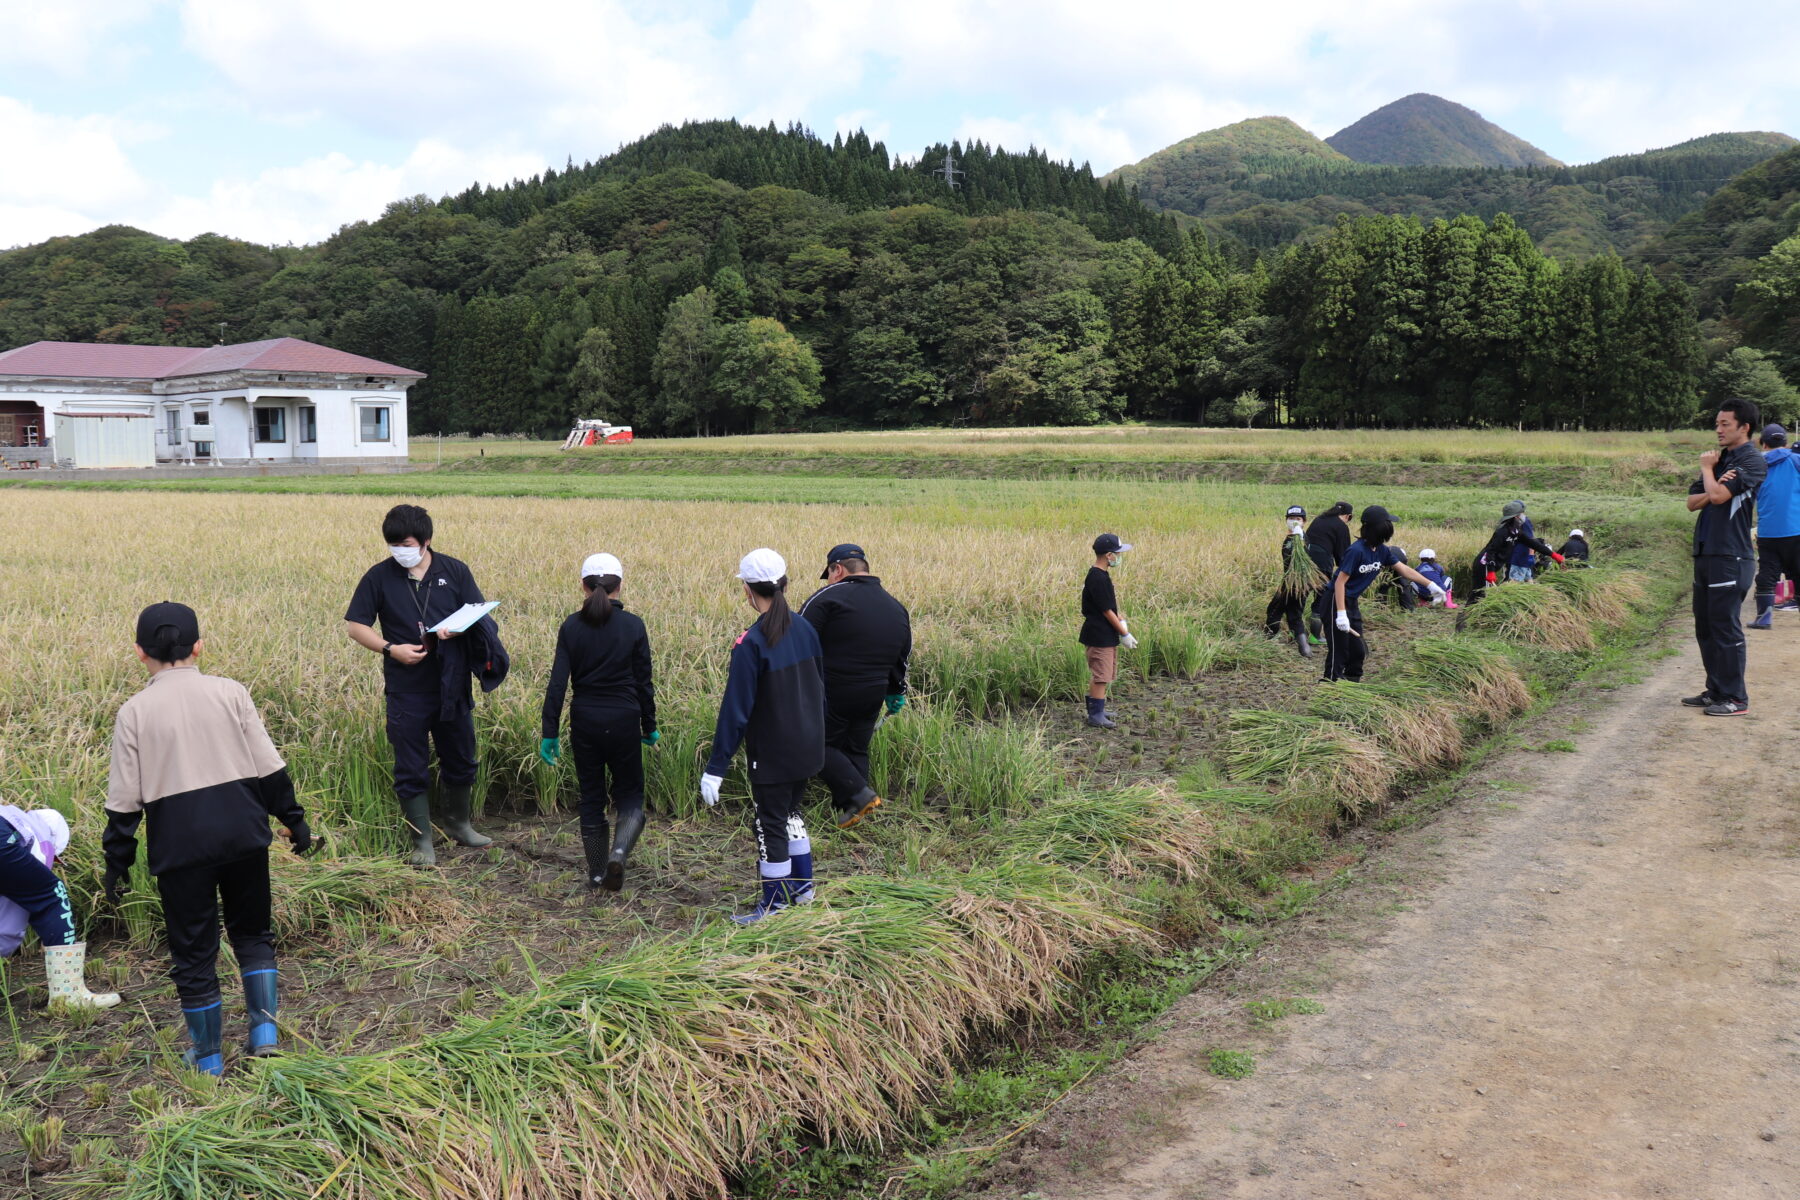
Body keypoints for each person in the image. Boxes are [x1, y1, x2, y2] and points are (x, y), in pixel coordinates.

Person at [104, 602, 317, 1075]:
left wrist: (116, 865)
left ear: (140, 653)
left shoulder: (133, 713)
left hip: (180, 848)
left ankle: (208, 1058)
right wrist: (294, 821)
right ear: (198, 647)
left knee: (194, 952)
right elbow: (270, 770)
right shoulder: (231, 693)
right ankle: (264, 1035)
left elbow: (123, 804)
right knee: (253, 933)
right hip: (244, 835)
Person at [344, 504, 501, 865]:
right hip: (406, 687)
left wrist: (458, 629)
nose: (400, 550)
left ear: (426, 541)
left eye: (406, 543)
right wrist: (390, 648)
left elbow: (479, 614)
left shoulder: (454, 570)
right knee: (410, 764)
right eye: (393, 544)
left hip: (452, 682)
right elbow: (356, 626)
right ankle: (422, 841)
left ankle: (459, 824)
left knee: (461, 756)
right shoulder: (378, 577)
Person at [699, 549, 827, 924]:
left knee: (768, 823)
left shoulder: (751, 643)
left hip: (773, 753)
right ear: (784, 583)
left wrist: (716, 767)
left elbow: (735, 711)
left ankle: (774, 905)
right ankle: (802, 889)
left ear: (747, 591)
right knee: (791, 814)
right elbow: (821, 689)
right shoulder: (806, 628)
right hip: (808, 746)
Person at [539, 553, 657, 892]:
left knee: (592, 798)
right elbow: (643, 683)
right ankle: (619, 852)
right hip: (624, 719)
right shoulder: (634, 625)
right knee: (630, 794)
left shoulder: (571, 626)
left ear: (583, 586)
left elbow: (558, 683)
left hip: (585, 721)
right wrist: (649, 726)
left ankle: (596, 873)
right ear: (620, 586)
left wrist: (550, 732)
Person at [798, 543, 911, 829]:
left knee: (815, 744)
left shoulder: (828, 596)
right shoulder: (895, 606)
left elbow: (798, 640)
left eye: (830, 573)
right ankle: (853, 812)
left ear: (838, 569)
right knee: (855, 749)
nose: (830, 579)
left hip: (834, 689)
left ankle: (860, 796)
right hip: (873, 693)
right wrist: (896, 691)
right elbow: (902, 654)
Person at [1684, 398, 1767, 714]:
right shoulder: (1720, 460)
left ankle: (1735, 698)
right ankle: (1716, 690)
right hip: (1706, 553)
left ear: (1744, 427)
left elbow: (1717, 496)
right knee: (1704, 626)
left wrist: (1708, 471)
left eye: (1725, 424)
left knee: (1724, 626)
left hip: (1731, 557)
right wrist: (1712, 479)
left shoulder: (1751, 462)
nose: (1717, 429)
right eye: (1716, 423)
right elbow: (1692, 502)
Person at [0, 804, 120, 1013]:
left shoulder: (14, 818)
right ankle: (68, 995)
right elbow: (11, 919)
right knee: (52, 895)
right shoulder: (41, 841)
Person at [1322, 507, 1447, 683]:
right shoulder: (1356, 551)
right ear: (1375, 527)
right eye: (1386, 523)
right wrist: (1341, 615)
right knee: (1339, 648)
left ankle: (1351, 684)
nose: (1389, 527)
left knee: (1357, 650)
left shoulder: (1382, 550)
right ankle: (1330, 685)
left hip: (1351, 601)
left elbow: (1403, 569)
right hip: (1335, 601)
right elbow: (1339, 582)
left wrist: (1431, 584)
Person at [1080, 534, 1137, 728]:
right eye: (1118, 554)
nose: (1119, 558)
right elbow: (1105, 610)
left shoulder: (1101, 575)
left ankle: (1098, 708)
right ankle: (1095, 715)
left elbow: (1108, 607)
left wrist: (1120, 620)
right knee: (1101, 675)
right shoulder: (1097, 577)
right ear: (1109, 555)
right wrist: (1124, 633)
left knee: (1105, 672)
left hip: (1104, 632)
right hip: (1098, 634)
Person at [1751, 424, 1800, 631]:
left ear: (1762, 443)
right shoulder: (1796, 460)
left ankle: (1764, 617)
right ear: (1786, 443)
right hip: (1796, 527)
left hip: (1769, 529)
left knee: (1767, 574)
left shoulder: (1756, 463)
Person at [1471, 501, 1562, 602]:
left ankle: (1471, 615)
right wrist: (1491, 571)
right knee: (1480, 594)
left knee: (1481, 595)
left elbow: (1532, 543)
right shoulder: (1502, 532)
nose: (1523, 516)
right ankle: (1467, 615)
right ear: (1515, 517)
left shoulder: (1515, 532)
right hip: (1484, 565)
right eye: (1521, 514)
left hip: (1491, 565)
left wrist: (1553, 554)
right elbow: (1490, 551)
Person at [1263, 506, 1319, 658]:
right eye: (1291, 519)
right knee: (1294, 615)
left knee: (1274, 611)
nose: (1294, 521)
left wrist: (1299, 539)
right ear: (1286, 520)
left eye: (1298, 519)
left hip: (1293, 584)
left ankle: (1266, 644)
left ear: (1304, 521)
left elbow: (1300, 559)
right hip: (1299, 583)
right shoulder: (1295, 537)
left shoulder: (1300, 539)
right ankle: (1305, 649)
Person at [1304, 501, 1354, 643]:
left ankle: (1295, 632)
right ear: (1348, 516)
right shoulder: (1341, 526)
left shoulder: (1319, 519)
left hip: (1304, 561)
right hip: (1322, 563)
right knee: (1320, 597)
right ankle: (1315, 636)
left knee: (1301, 596)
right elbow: (1343, 554)